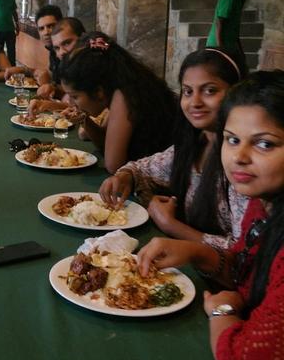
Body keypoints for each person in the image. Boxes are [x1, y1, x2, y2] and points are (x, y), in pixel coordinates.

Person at [137, 71, 284, 360]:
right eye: (232, 139)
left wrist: (222, 312)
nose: (239, 156)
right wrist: (196, 253)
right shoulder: (262, 204)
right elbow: (246, 274)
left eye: (265, 143)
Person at [99, 48, 247, 248]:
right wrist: (124, 176)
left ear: (235, 93)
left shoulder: (241, 163)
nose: (195, 102)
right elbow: (142, 168)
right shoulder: (196, 142)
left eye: (210, 90)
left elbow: (242, 252)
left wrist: (170, 225)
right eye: (188, 91)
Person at [57, 32, 177, 173]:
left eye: (75, 96)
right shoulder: (121, 85)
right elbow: (105, 141)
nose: (71, 103)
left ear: (99, 92)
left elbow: (113, 165)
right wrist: (84, 119)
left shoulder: (124, 96)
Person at [206, 0, 256, 76]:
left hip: (229, 45)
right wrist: (220, 48)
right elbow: (219, 22)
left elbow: (234, 27)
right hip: (218, 45)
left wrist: (240, 49)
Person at [4, 4, 64, 85]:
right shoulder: (53, 50)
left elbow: (75, 91)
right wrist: (23, 70)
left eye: (51, 26)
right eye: (41, 29)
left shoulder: (69, 53)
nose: (46, 32)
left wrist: (49, 85)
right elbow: (50, 75)